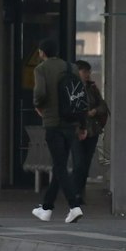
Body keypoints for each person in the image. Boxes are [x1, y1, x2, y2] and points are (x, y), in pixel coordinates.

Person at [30, 38, 84, 224]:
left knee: (60, 166)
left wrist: (38, 106)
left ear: (42, 52)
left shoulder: (41, 69)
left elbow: (40, 94)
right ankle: (46, 208)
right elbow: (80, 97)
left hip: (53, 123)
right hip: (71, 123)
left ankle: (74, 206)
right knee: (59, 165)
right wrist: (82, 125)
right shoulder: (71, 68)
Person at [70, 60, 109, 204]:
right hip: (76, 131)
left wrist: (94, 111)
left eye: (88, 72)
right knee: (79, 163)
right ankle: (74, 194)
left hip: (92, 131)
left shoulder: (92, 88)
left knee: (85, 164)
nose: (87, 75)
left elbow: (103, 106)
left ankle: (79, 193)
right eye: (84, 71)